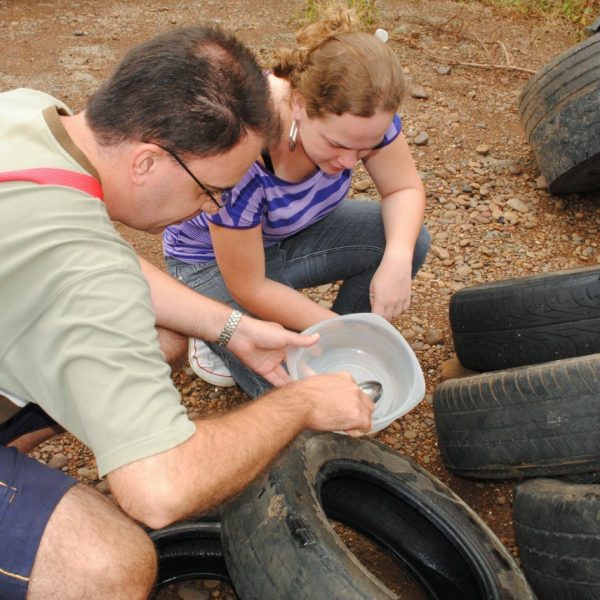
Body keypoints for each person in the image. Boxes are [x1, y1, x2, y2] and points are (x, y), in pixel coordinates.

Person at [0, 25, 375, 600]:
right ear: (149, 162)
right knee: (108, 566)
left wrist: (232, 326)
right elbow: (159, 493)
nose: (214, 207)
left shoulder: (29, 113)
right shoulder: (83, 274)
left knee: (166, 339)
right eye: (212, 189)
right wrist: (300, 403)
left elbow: (97, 268)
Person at [163, 7, 430, 397]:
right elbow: (250, 285)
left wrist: (397, 258)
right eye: (337, 145)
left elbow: (403, 189)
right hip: (212, 265)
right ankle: (212, 327)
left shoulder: (365, 114)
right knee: (285, 379)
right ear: (301, 104)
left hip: (285, 234)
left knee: (405, 240)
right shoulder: (243, 147)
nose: (348, 164)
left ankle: (336, 351)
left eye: (365, 149)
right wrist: (335, 333)